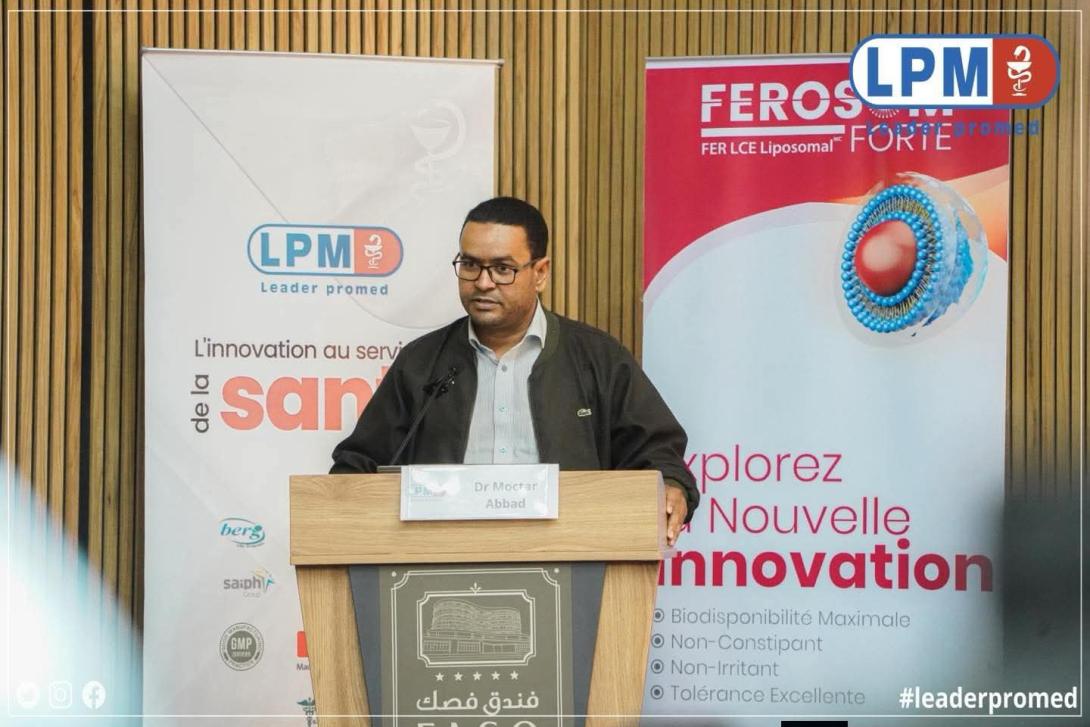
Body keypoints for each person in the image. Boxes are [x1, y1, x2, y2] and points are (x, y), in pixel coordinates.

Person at [330, 196, 698, 544]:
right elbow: (359, 465)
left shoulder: (597, 358)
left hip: (568, 562)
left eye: (502, 269)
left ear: (540, 273)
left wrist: (670, 485)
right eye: (470, 265)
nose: (483, 282)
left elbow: (657, 453)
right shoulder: (422, 362)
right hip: (440, 562)